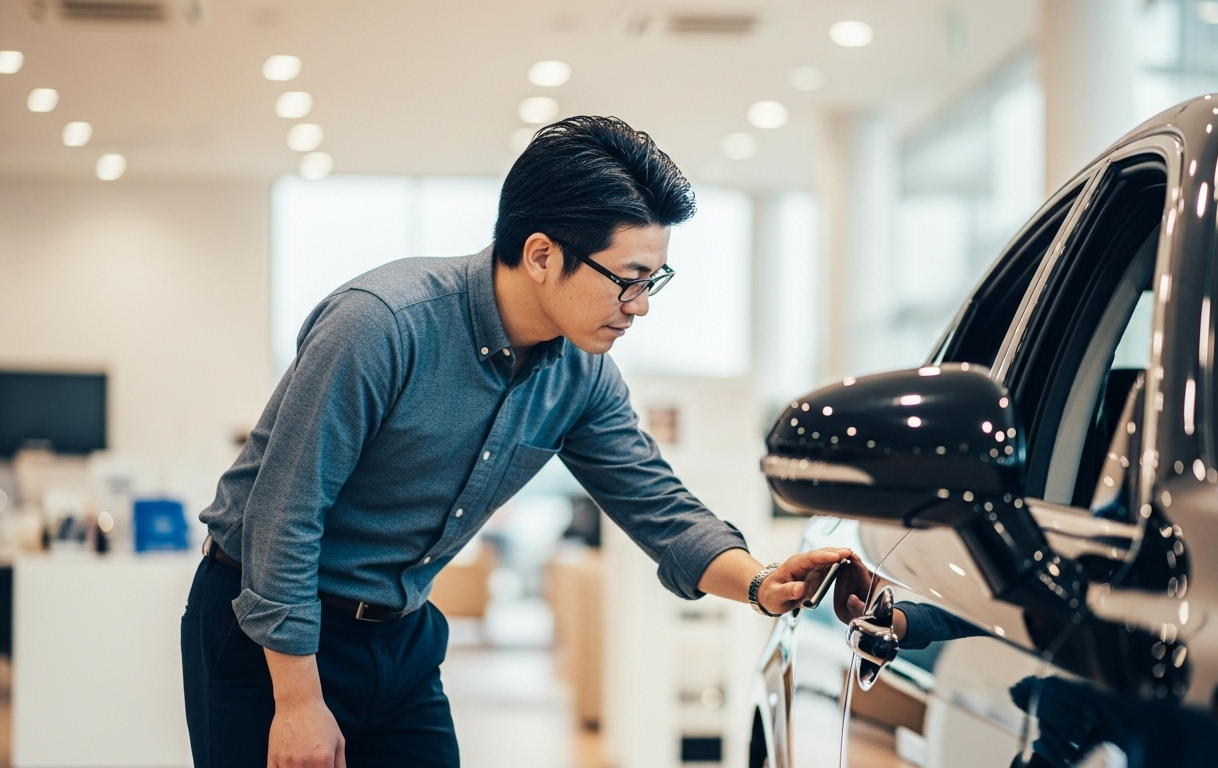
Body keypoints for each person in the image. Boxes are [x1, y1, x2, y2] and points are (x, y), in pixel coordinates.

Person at [180, 115, 850, 768]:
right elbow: (283, 513)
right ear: (541, 255)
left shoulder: (580, 374)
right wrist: (297, 699)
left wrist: (762, 583)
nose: (641, 304)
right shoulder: (380, 326)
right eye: (629, 278)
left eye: (654, 280)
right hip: (267, 630)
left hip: (400, 632)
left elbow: (659, 506)